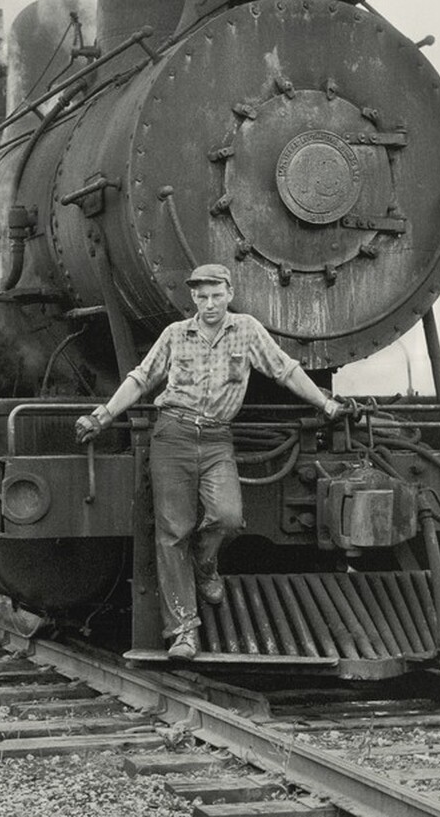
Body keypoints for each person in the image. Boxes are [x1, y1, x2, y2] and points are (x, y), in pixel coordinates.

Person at [75, 263, 345, 660]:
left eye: (216, 295)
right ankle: (183, 631)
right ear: (193, 299)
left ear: (229, 294)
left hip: (218, 437)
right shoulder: (175, 335)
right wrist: (102, 415)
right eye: (201, 297)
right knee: (173, 532)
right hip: (173, 433)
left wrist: (326, 403)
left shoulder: (248, 330)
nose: (209, 304)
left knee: (228, 516)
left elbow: (285, 370)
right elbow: (141, 378)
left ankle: (205, 568)